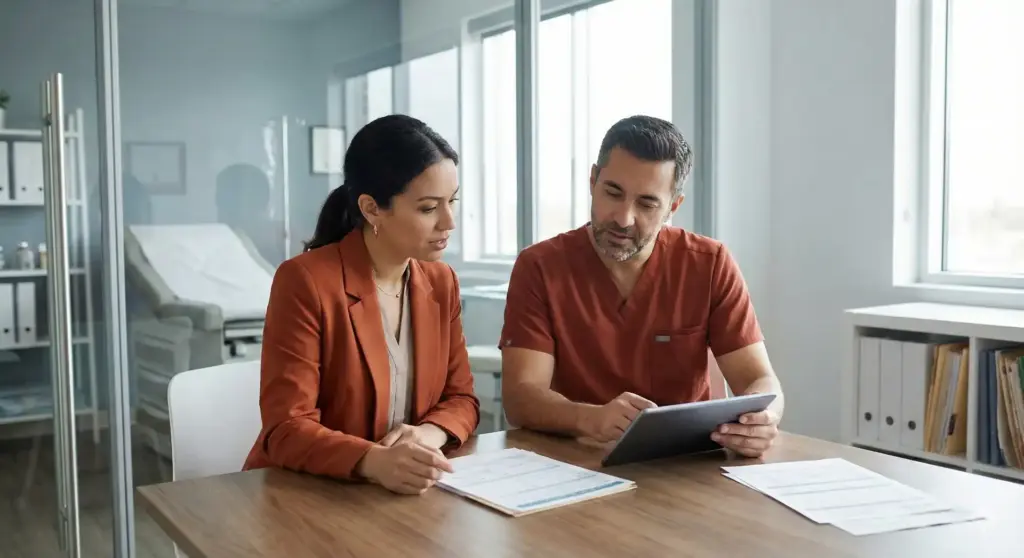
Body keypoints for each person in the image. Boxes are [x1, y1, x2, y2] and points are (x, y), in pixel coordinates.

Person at [499, 115, 784, 458]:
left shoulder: (709, 263)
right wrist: (591, 418)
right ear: (593, 181)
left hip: (686, 464)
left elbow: (760, 382)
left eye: (647, 204)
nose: (623, 218)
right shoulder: (540, 266)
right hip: (578, 461)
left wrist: (764, 419)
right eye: (612, 193)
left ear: (673, 207)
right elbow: (521, 398)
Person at [243, 114, 480, 494]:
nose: (449, 221)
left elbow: (462, 398)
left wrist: (427, 435)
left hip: (401, 494)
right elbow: (286, 429)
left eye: (452, 201)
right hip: (307, 494)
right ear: (371, 208)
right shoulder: (305, 281)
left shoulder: (441, 282)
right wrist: (374, 461)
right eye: (428, 208)